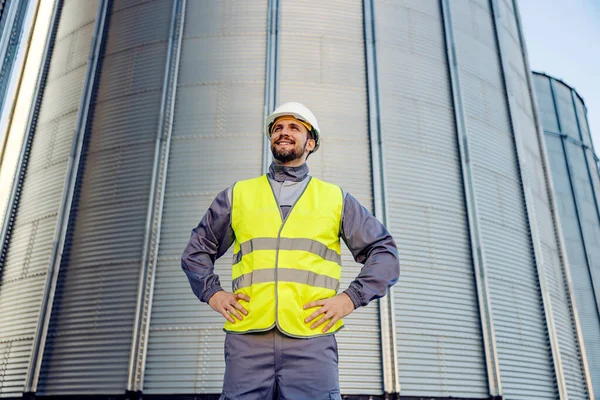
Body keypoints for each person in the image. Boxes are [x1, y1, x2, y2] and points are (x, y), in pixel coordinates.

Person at [182, 102, 400, 400]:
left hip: (311, 339)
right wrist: (213, 293)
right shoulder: (237, 195)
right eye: (277, 128)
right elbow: (197, 250)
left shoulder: (335, 199)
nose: (283, 132)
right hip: (248, 339)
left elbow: (384, 251)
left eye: (294, 127)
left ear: (310, 143)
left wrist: (350, 299)